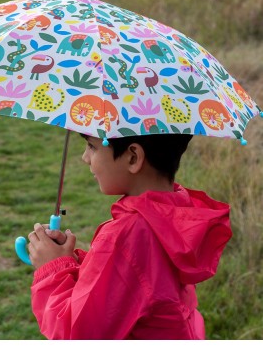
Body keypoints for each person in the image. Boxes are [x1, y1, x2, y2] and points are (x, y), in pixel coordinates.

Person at [27, 133, 232, 340]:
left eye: (92, 146)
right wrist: (74, 262)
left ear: (133, 157)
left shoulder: (128, 235)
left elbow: (77, 334)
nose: (85, 157)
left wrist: (53, 268)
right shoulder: (173, 217)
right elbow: (135, 282)